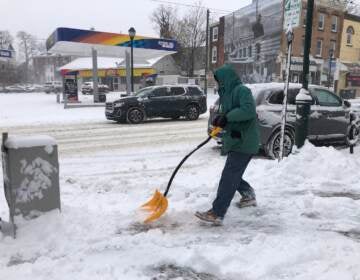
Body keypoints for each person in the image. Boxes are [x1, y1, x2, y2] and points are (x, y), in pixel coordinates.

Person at [195, 64, 260, 225]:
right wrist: (220, 119)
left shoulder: (242, 91)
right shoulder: (226, 94)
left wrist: (227, 117)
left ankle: (217, 212)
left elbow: (248, 111)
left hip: (245, 141)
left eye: (218, 81)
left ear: (225, 80)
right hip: (237, 139)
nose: (216, 84)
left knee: (229, 176)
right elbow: (229, 114)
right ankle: (248, 194)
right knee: (232, 174)